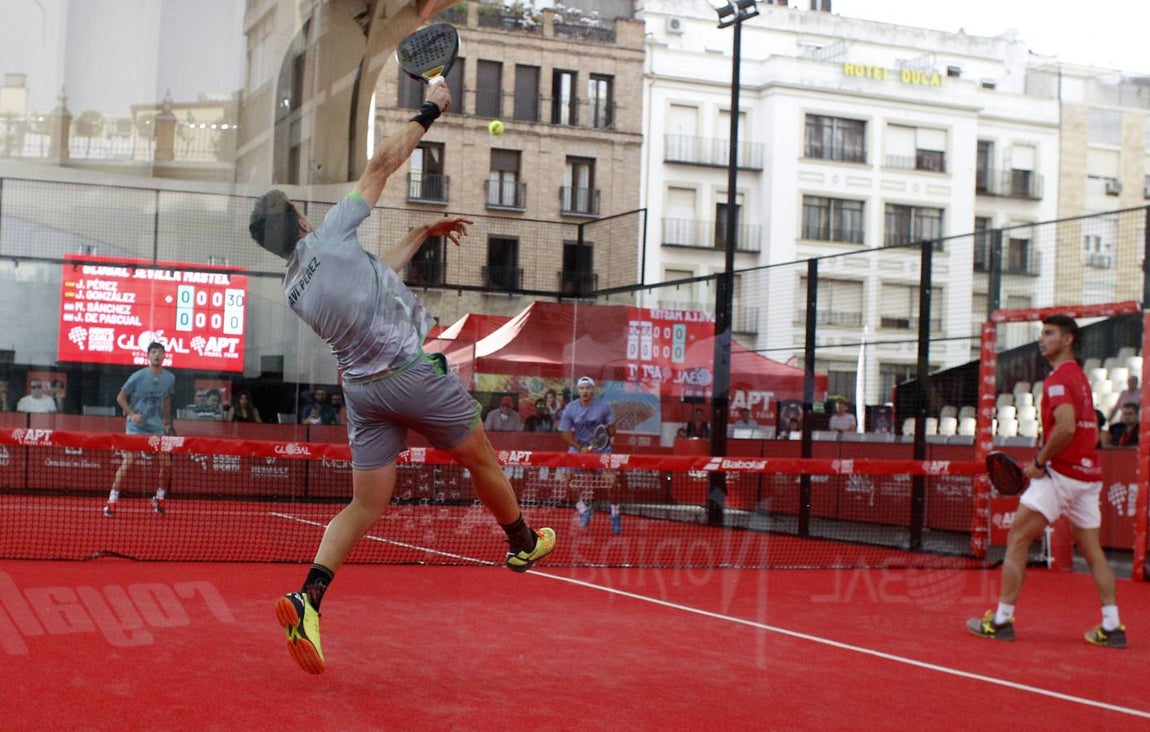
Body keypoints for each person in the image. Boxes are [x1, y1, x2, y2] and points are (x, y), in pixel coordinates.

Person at [249, 78, 554, 675]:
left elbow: (373, 276)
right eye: (298, 208)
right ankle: (522, 543)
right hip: (409, 375)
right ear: (298, 218)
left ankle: (308, 599)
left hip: (363, 395)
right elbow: (382, 165)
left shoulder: (295, 288)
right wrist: (431, 108)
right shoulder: (330, 234)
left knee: (363, 507)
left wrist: (420, 233)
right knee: (480, 457)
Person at [966, 315, 1125, 648]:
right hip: (1088, 476)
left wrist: (1039, 462)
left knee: (1017, 539)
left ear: (1068, 339)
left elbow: (1066, 427)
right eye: (1042, 333)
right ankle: (1112, 626)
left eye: (1049, 333)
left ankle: (1001, 621)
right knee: (1093, 552)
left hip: (1059, 475)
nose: (1042, 339)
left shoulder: (1058, 380)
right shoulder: (1079, 377)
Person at [103, 342, 174, 518]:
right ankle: (111, 501)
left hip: (156, 427)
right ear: (148, 356)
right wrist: (132, 414)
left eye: (160, 352)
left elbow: (167, 399)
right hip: (135, 427)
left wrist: (166, 422)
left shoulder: (169, 378)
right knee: (129, 460)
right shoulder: (138, 376)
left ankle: (159, 498)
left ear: (164, 356)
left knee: (166, 463)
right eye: (153, 352)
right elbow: (120, 397)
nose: (157, 355)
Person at [560, 376, 620, 533]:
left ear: (593, 390)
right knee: (566, 479)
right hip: (579, 448)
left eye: (588, 388)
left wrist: (603, 436)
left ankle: (615, 514)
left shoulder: (604, 407)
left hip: (601, 449)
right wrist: (580, 447)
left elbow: (613, 430)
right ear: (578, 391)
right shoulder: (570, 408)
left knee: (612, 481)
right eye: (582, 388)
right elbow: (565, 433)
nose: (585, 391)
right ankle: (583, 509)